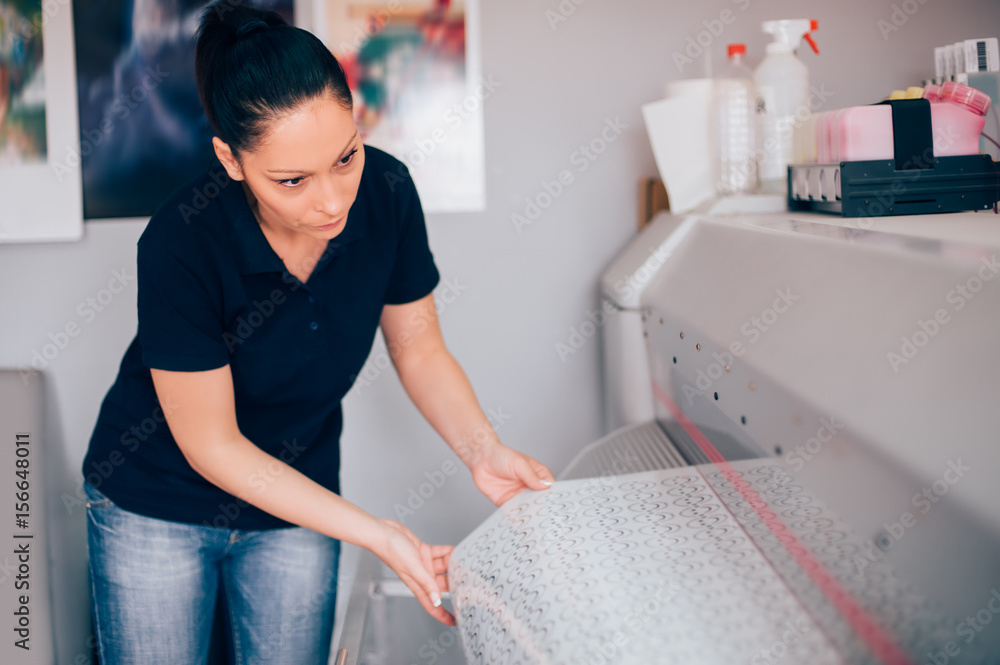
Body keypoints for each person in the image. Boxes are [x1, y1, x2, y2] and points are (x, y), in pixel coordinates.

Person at [79, 3, 554, 663]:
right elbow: (213, 445)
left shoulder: (387, 191)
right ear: (231, 159)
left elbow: (419, 349)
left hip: (297, 497)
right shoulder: (182, 239)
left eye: (345, 157)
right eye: (293, 181)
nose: (332, 200)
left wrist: (483, 450)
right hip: (154, 500)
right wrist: (378, 534)